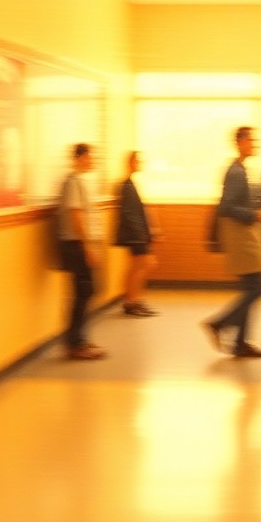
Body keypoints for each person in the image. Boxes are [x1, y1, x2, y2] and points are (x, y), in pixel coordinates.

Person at [202, 126, 261, 358]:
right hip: (241, 237)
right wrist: (257, 215)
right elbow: (227, 207)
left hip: (245, 234)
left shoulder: (240, 169)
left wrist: (260, 211)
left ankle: (240, 343)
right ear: (240, 142)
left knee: (253, 287)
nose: (255, 144)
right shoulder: (235, 172)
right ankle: (220, 323)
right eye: (252, 140)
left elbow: (238, 204)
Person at [58, 143, 107, 360]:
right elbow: (76, 216)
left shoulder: (78, 182)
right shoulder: (73, 183)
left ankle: (79, 339)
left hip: (79, 245)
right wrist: (87, 247)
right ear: (80, 158)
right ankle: (75, 343)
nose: (92, 160)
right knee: (82, 293)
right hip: (76, 245)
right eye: (89, 156)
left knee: (85, 292)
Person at [116, 150, 160, 317]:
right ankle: (130, 301)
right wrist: (141, 235)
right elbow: (130, 214)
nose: (140, 163)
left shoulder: (132, 184)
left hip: (139, 233)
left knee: (143, 266)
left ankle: (135, 299)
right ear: (130, 163)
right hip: (135, 235)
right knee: (140, 266)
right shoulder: (127, 186)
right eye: (137, 161)